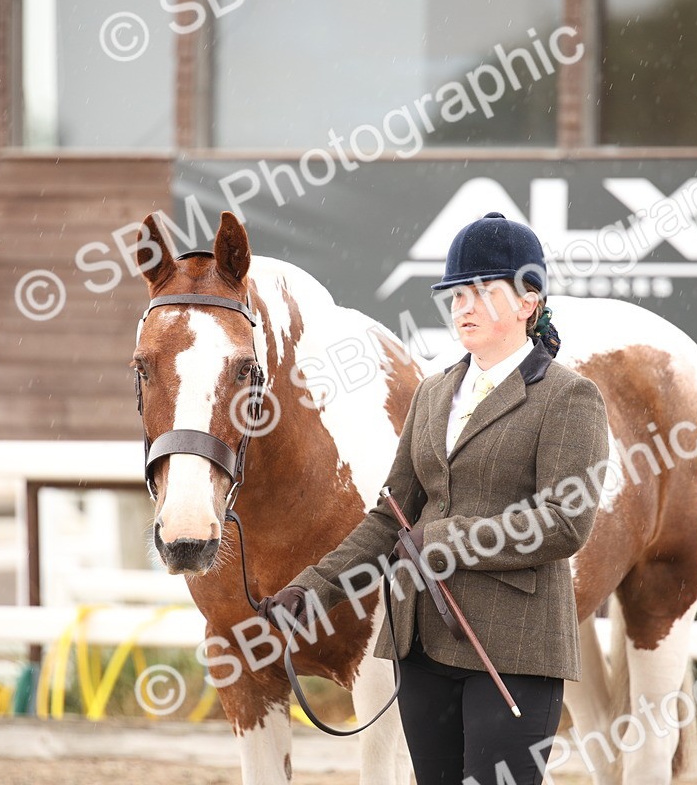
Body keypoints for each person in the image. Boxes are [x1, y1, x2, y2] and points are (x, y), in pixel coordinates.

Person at [259, 212, 609, 785]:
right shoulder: (433, 392)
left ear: (528, 301)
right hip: (422, 645)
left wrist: (444, 538)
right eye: (456, 294)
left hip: (512, 650)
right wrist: (312, 588)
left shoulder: (570, 397)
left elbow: (564, 522)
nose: (463, 306)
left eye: (482, 292)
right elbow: (389, 516)